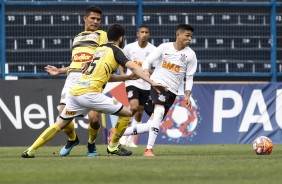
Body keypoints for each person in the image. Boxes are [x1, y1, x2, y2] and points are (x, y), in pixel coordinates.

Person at [21, 24, 166, 158]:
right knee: (127, 114)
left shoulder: (98, 50)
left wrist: (127, 77)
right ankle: (113, 146)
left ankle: (30, 150)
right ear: (121, 38)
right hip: (90, 94)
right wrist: (152, 82)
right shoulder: (117, 51)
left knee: (59, 124)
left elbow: (106, 77)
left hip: (75, 92)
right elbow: (134, 67)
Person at [121, 24, 197, 156]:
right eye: (187, 36)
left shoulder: (191, 55)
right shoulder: (164, 47)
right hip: (158, 85)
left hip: (172, 92)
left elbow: (189, 77)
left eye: (191, 36)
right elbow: (148, 61)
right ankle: (148, 150)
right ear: (178, 35)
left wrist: (187, 94)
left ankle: (117, 133)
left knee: (150, 125)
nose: (189, 39)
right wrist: (145, 70)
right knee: (160, 111)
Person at [44, 6, 107, 157]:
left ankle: (91, 144)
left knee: (94, 119)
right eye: (93, 18)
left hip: (91, 78)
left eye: (98, 19)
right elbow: (75, 63)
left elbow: (104, 54)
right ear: (85, 18)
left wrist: (92, 64)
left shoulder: (101, 34)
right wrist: (59, 70)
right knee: (61, 112)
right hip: (73, 78)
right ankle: (72, 139)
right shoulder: (77, 37)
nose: (95, 22)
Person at [118, 25, 157, 147]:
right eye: (142, 32)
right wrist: (122, 73)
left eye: (146, 32)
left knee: (140, 112)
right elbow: (120, 59)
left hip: (146, 84)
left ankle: (130, 141)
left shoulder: (153, 50)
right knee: (134, 107)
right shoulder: (130, 47)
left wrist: (147, 71)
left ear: (149, 34)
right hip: (132, 82)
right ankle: (121, 133)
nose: (144, 34)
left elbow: (155, 68)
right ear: (137, 34)